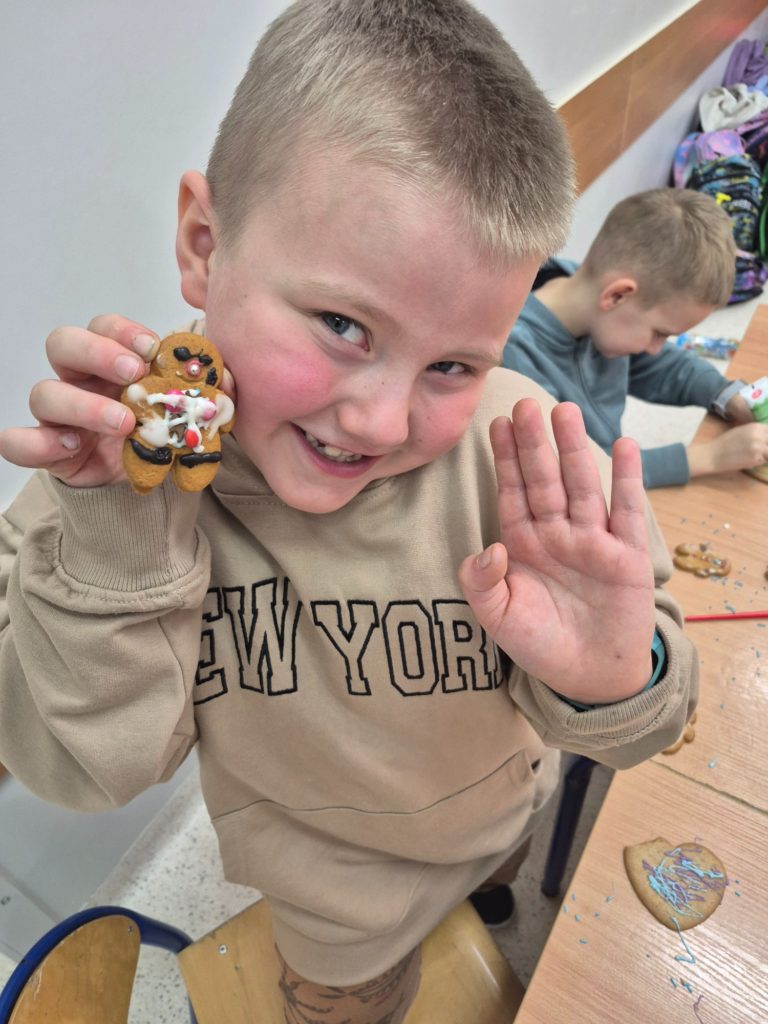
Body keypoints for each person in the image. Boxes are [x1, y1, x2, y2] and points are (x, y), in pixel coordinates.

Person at [0, 3, 698, 1022]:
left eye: (453, 364)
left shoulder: (527, 453)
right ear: (204, 244)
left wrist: (612, 680)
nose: (381, 419)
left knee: (495, 888)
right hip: (337, 917)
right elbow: (84, 772)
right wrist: (123, 545)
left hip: (509, 812)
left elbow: (653, 714)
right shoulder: (102, 488)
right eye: (342, 324)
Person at [503, 188, 768, 489]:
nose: (656, 349)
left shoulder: (594, 301)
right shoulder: (514, 359)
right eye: (660, 333)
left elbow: (662, 366)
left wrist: (727, 396)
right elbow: (575, 476)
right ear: (617, 295)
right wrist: (711, 457)